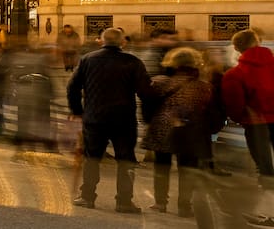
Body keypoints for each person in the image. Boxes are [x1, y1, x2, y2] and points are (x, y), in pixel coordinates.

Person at [67, 26, 153, 212]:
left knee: (92, 158)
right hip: (123, 118)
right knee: (126, 160)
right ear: (122, 42)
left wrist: (77, 110)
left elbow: (72, 87)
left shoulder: (88, 59)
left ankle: (87, 196)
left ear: (102, 41)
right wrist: (148, 114)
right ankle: (124, 201)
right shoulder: (133, 62)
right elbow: (145, 92)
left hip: (95, 117)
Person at [147, 46, 216, 217]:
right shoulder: (204, 86)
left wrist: (151, 121)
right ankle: (184, 206)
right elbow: (212, 111)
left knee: (161, 167)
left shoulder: (160, 82)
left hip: (163, 129)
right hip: (191, 132)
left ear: (173, 63)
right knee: (187, 170)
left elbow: (149, 106)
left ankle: (160, 203)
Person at [222, 27, 274, 183]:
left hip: (256, 122)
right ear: (258, 42)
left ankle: (268, 186)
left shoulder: (234, 74)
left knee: (264, 162)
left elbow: (234, 103)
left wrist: (240, 117)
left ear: (237, 48)